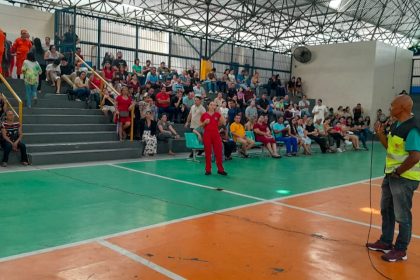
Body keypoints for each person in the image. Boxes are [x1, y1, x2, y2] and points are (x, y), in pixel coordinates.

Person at [366, 95, 420, 262]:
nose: (389, 109)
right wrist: (380, 133)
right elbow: (389, 146)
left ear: (402, 108)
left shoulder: (412, 128)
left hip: (404, 178)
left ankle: (401, 249)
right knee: (386, 209)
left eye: (392, 106)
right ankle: (386, 241)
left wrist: (398, 172)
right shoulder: (396, 125)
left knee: (402, 215)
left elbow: (415, 156)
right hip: (391, 175)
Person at [200, 101, 227, 175]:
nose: (213, 106)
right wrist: (204, 122)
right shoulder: (204, 115)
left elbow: (224, 122)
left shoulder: (217, 114)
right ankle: (208, 170)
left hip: (216, 134)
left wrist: (220, 113)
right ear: (208, 106)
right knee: (208, 153)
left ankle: (220, 169)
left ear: (215, 107)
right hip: (207, 134)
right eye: (211, 105)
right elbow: (201, 125)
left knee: (219, 152)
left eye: (214, 105)